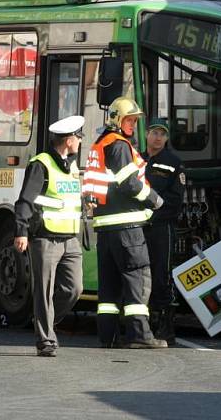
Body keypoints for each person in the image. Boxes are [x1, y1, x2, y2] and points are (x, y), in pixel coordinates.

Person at [82, 96, 166, 349]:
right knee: (137, 280)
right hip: (127, 228)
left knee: (109, 286)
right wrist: (154, 199)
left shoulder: (100, 143)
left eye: (135, 120)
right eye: (129, 120)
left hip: (106, 229)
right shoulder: (118, 145)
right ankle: (140, 335)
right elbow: (129, 183)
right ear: (117, 120)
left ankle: (107, 336)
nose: (132, 125)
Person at [14, 115, 85, 358]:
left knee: (74, 288)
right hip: (46, 237)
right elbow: (25, 200)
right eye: (78, 137)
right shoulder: (41, 164)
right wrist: (21, 231)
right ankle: (45, 340)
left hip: (70, 239)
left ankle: (45, 319)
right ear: (68, 140)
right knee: (43, 290)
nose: (80, 141)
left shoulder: (72, 164)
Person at [141, 118, 184, 344]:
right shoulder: (136, 159)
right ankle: (142, 325)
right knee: (138, 275)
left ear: (166, 139)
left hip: (160, 228)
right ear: (147, 134)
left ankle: (165, 327)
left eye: (162, 134)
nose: (158, 137)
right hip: (137, 227)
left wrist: (153, 210)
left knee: (161, 277)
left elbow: (176, 200)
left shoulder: (174, 163)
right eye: (154, 132)